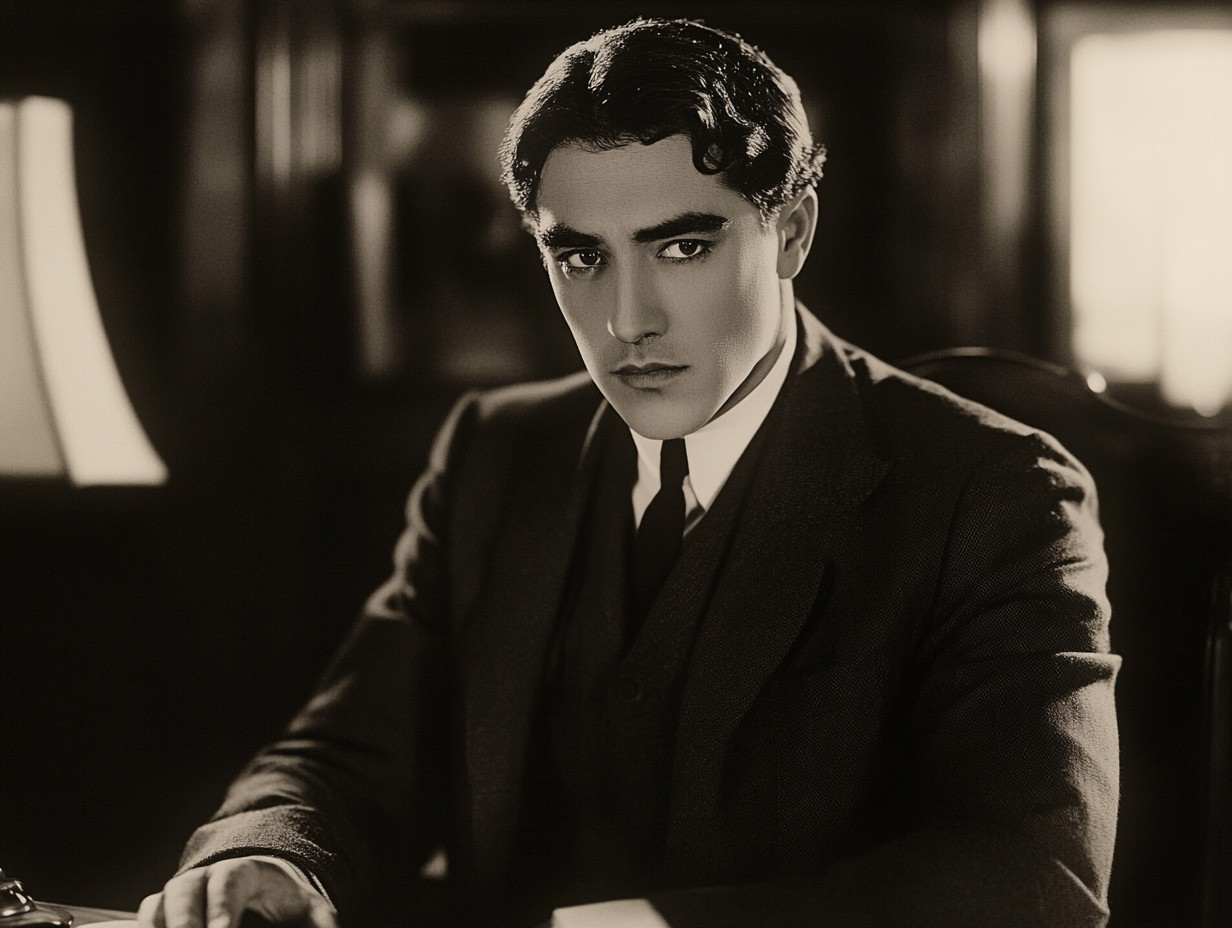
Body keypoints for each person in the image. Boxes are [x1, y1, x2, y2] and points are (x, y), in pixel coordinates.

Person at [138, 17, 1120, 928]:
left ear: (790, 233)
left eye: (682, 246)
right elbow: (350, 753)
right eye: (579, 258)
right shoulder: (494, 451)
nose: (625, 321)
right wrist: (270, 854)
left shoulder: (996, 492)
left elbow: (1032, 877)